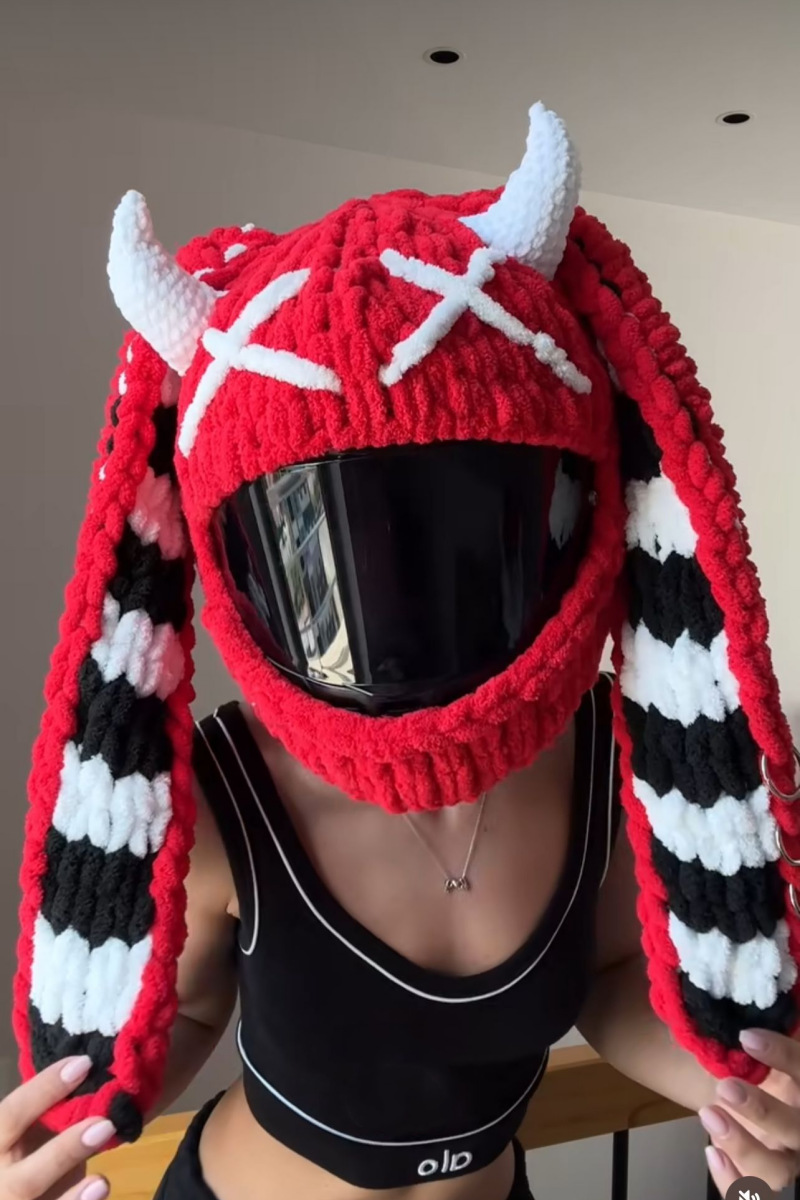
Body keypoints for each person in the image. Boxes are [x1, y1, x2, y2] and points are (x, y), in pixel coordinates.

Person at [7, 105, 800, 1200]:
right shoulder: (220, 793)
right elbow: (181, 1008)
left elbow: (612, 970)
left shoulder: (606, 758)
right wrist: (76, 1129)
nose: (396, 604)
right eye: (327, 543)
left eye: (453, 530)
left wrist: (747, 1094)